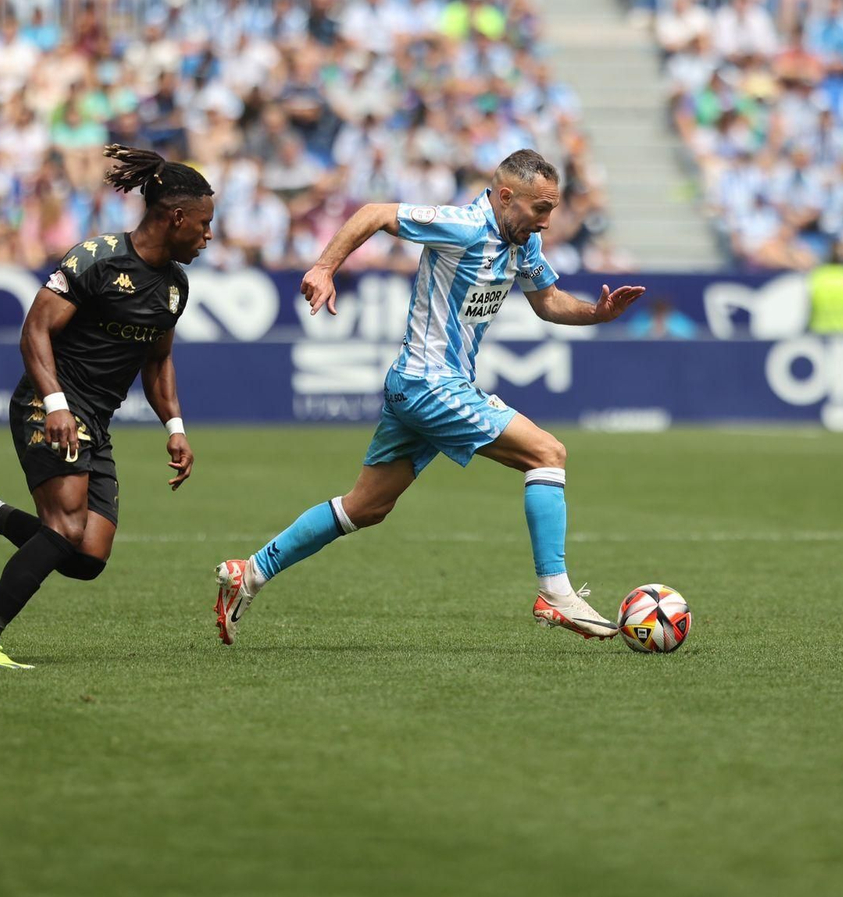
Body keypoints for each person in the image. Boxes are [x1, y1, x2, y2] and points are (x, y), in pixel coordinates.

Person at [214, 150, 645, 644]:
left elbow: (547, 302)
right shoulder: (462, 225)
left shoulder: (521, 242)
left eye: (552, 209)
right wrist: (324, 267)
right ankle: (555, 592)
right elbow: (375, 213)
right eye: (540, 208)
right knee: (547, 454)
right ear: (506, 196)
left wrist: (597, 313)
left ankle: (249, 572)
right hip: (428, 383)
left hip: (424, 387)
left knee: (366, 507)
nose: (547, 221)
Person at [0, 145, 215, 669]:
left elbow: (158, 362)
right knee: (62, 528)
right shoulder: (95, 259)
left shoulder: (175, 287)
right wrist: (56, 403)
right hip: (49, 404)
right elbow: (35, 330)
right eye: (203, 223)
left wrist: (174, 426)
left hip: (95, 421)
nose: (208, 234)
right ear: (176, 217)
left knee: (86, 557)